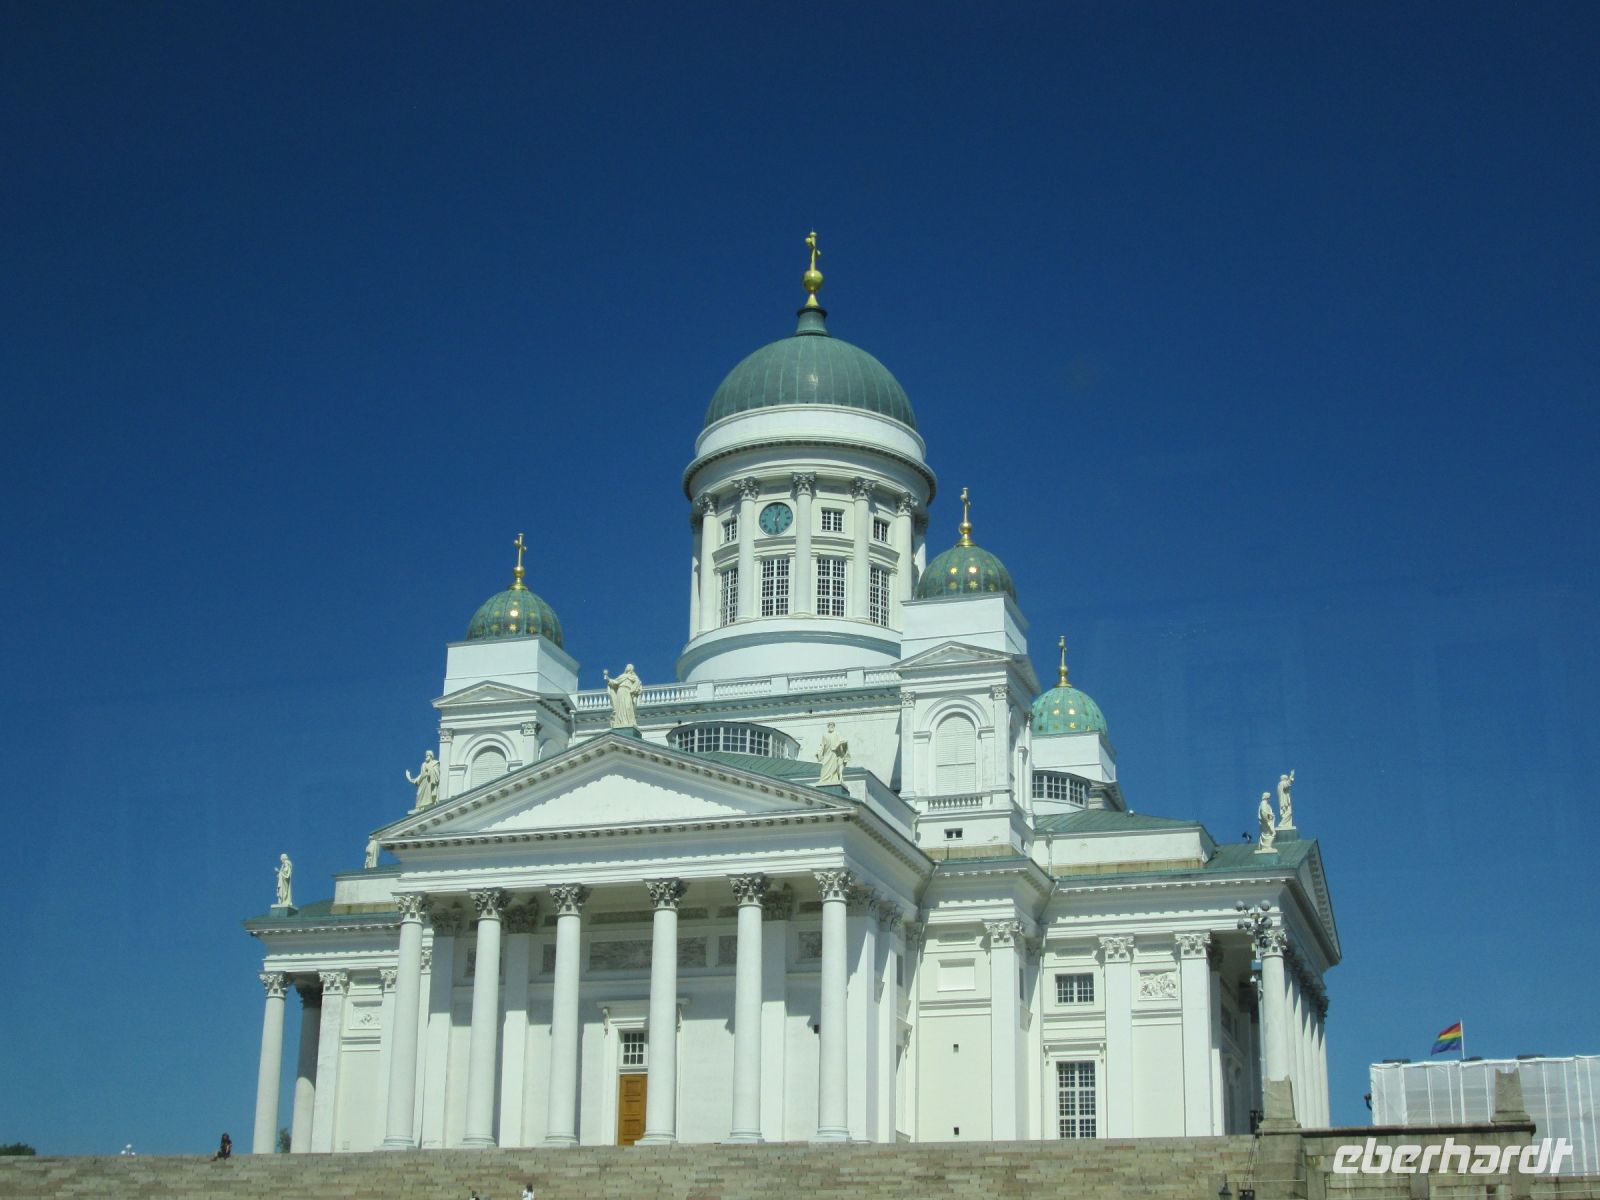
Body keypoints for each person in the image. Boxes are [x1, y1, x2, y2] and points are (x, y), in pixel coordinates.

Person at [604, 663, 644, 729]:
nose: (627, 667)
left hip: (628, 691)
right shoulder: (622, 676)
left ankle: (628, 721)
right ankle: (620, 722)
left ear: (631, 669)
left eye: (628, 667)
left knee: (628, 706)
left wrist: (633, 690)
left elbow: (638, 683)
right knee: (620, 707)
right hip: (621, 691)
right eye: (627, 666)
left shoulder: (634, 677)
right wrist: (607, 678)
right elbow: (615, 682)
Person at [815, 722, 849, 786]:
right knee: (825, 765)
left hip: (835, 754)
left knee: (834, 767)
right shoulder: (825, 735)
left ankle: (834, 778)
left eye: (833, 725)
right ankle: (823, 779)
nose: (831, 726)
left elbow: (842, 740)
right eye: (830, 725)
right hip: (827, 754)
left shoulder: (837, 733)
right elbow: (822, 745)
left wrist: (840, 744)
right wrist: (819, 752)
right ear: (828, 726)